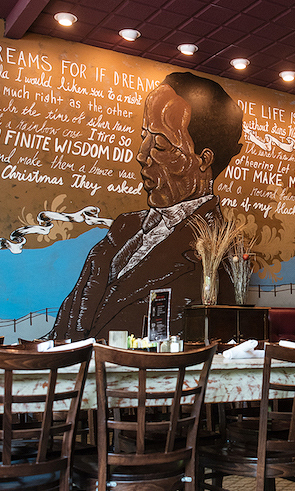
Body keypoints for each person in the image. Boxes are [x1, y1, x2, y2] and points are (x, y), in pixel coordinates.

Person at [51, 72, 244, 341]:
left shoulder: (217, 249)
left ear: (203, 159)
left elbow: (211, 342)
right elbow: (67, 325)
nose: (142, 155)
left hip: (144, 377)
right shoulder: (124, 228)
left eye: (161, 144)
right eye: (145, 137)